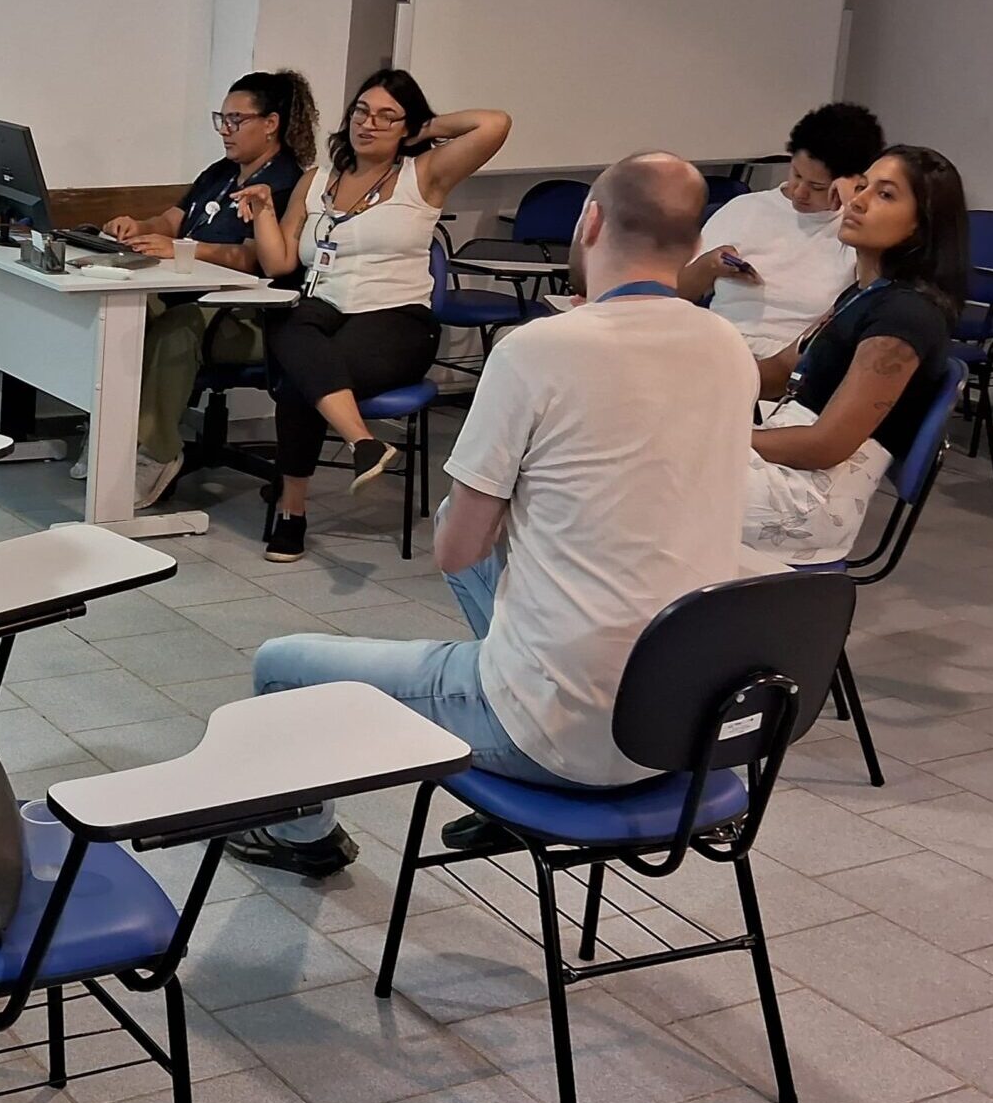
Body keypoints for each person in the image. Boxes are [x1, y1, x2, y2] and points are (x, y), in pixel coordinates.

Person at [226, 154, 755, 877]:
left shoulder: (537, 348)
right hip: (680, 722)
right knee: (494, 539)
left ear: (590, 221)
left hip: (563, 739)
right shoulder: (728, 347)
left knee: (280, 666)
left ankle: (301, 837)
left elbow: (457, 550)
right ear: (693, 241)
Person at [241, 69, 511, 561]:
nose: (369, 124)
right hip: (322, 308)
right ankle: (362, 442)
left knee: (306, 375)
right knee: (287, 322)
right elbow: (280, 262)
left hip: (397, 320)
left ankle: (291, 515)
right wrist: (262, 209)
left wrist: (423, 129)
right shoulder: (315, 180)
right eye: (362, 111)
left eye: (387, 117)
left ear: (408, 127)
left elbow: (494, 124)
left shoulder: (424, 174)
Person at [98, 70, 318, 507]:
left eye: (236, 120)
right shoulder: (222, 172)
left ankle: (157, 452)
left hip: (250, 315)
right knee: (121, 314)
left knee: (175, 328)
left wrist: (181, 249)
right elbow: (172, 219)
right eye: (222, 118)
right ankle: (110, 442)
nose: (225, 130)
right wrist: (139, 227)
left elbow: (253, 258)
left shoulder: (285, 183)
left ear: (271, 123)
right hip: (195, 298)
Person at [741, 145, 968, 566]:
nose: (858, 200)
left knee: (640, 476)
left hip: (810, 498)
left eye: (885, 195)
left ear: (921, 224)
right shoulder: (862, 295)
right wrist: (692, 377)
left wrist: (722, 439)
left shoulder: (906, 317)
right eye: (861, 186)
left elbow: (826, 445)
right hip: (791, 471)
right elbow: (777, 372)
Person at [677, 102, 886, 358]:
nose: (800, 192)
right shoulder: (745, 209)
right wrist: (709, 265)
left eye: (817, 187)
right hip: (719, 348)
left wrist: (855, 204)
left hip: (796, 363)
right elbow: (676, 294)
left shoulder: (857, 232)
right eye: (796, 174)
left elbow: (874, 304)